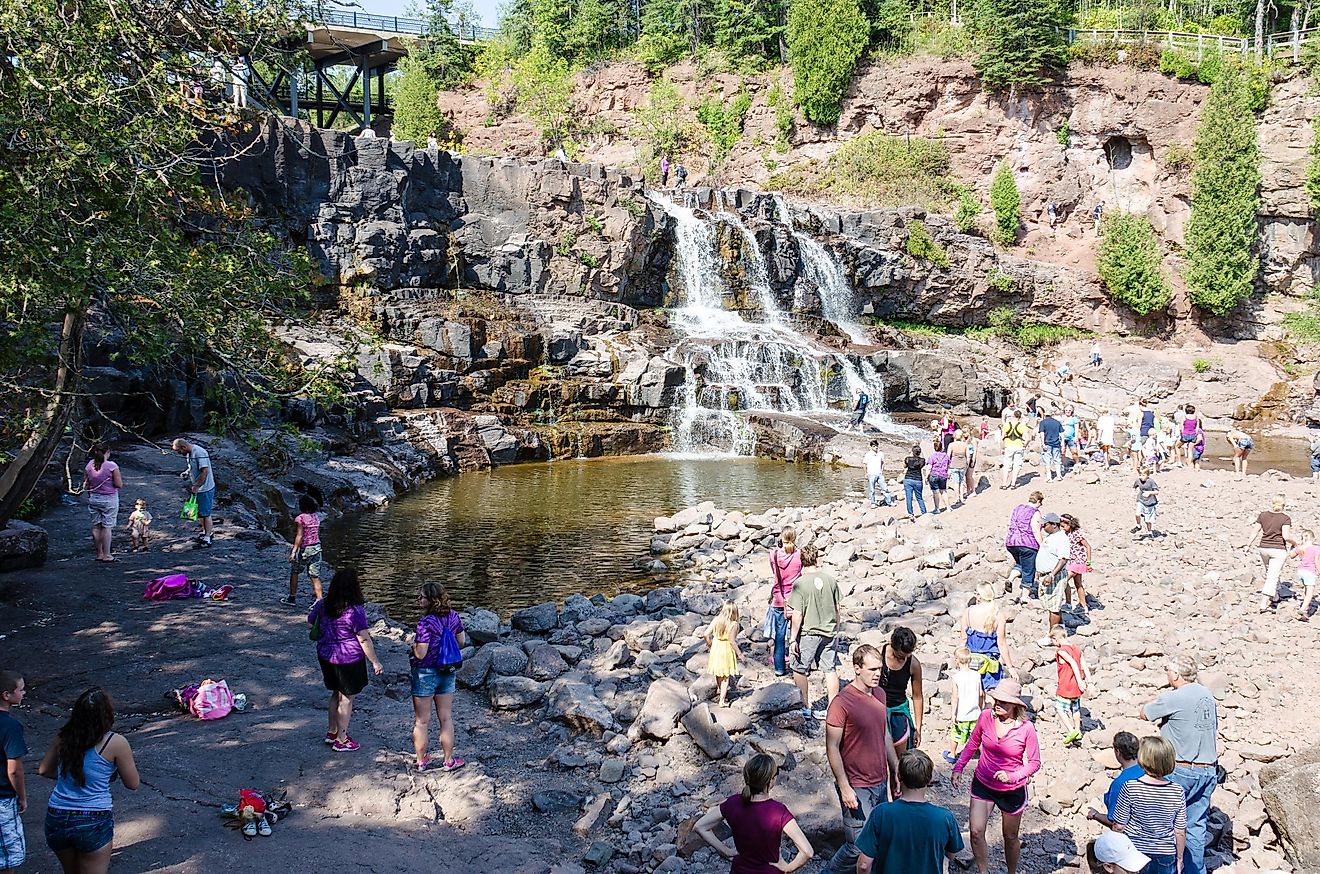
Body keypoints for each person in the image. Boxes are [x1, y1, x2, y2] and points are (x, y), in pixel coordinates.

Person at [38, 688, 140, 872]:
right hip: (93, 818)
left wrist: (70, 777)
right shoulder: (116, 742)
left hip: (57, 815)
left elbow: (44, 770)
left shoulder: (64, 736)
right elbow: (133, 784)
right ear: (107, 714)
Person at [1138, 654, 1219, 874]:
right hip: (1208, 769)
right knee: (1195, 826)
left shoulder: (1175, 696)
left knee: (1162, 824)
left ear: (1175, 674)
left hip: (1180, 769)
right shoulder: (1207, 695)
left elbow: (1145, 713)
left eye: (1167, 670)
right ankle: (1193, 870)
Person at [951, 679, 1041, 874]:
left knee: (1009, 837)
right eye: (996, 700)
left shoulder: (1026, 729)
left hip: (1012, 790)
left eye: (1004, 702)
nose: (997, 704)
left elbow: (1034, 763)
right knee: (975, 832)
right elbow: (972, 744)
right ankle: (984, 871)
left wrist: (1013, 776)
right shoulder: (985, 717)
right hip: (983, 782)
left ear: (1015, 706)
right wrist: (958, 768)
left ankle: (1011, 872)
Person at [824, 645, 899, 874]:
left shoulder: (880, 694)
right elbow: (832, 747)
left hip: (880, 780)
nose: (878, 674)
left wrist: (896, 769)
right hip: (856, 784)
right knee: (857, 846)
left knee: (880, 838)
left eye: (880, 669)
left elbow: (885, 733)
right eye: (872, 669)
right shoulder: (841, 702)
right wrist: (845, 787)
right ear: (857, 669)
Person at [694, 754, 814, 873]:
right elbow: (807, 852)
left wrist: (725, 851)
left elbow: (700, 826)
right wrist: (787, 869)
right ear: (771, 780)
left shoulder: (733, 803)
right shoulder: (778, 811)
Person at [308, 569, 383, 752]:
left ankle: (332, 731)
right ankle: (342, 739)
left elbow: (310, 623)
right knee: (347, 698)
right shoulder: (355, 611)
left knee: (336, 693)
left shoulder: (323, 604)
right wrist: (375, 661)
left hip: (326, 655)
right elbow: (363, 638)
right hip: (348, 658)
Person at [855, 750, 964, 874]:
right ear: (929, 780)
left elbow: (864, 865)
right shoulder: (945, 817)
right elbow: (951, 854)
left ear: (899, 776)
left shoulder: (880, 813)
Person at [409, 582, 466, 772]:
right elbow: (462, 641)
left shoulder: (425, 623)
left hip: (425, 673)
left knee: (422, 721)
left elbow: (421, 653)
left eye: (421, 597)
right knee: (446, 718)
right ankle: (448, 760)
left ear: (431, 600)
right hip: (447, 671)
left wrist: (413, 646)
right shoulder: (454, 616)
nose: (418, 600)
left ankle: (420, 762)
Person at [1113, 736, 1187, 874]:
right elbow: (1180, 831)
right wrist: (1180, 858)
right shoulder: (1177, 791)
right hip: (1165, 853)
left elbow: (1119, 826)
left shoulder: (1130, 787)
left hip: (1134, 852)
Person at [788, 546, 841, 720]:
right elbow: (837, 609)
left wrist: (792, 639)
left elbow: (797, 614)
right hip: (829, 630)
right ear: (816, 558)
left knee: (799, 668)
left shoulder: (800, 583)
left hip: (809, 632)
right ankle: (833, 709)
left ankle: (805, 706)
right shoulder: (830, 580)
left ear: (801, 560)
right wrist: (837, 630)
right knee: (830, 669)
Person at [962, 582, 1016, 693]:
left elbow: (963, 639)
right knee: (990, 693)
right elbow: (1001, 644)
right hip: (990, 663)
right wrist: (1010, 667)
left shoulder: (968, 612)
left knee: (972, 692)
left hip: (972, 660)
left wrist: (960, 660)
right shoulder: (998, 615)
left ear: (979, 596)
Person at [1086, 731, 1143, 829]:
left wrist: (1095, 815)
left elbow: (1115, 822)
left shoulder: (1120, 783)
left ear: (1118, 752)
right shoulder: (1150, 771)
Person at [1247, 494, 1294, 613]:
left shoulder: (1263, 515)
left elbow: (1255, 531)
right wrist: (1295, 543)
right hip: (1278, 549)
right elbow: (1286, 536)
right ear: (1283, 504)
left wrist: (1248, 544)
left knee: (1271, 571)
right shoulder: (1285, 518)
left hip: (1264, 548)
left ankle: (1275, 596)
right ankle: (1264, 602)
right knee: (1272, 575)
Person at [0, 672, 27, 871]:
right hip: (2, 798)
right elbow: (14, 770)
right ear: (6, 695)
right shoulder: (10, 726)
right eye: (21, 689)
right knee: (9, 857)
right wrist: (22, 796)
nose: (24, 692)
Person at [768, 528, 803, 677]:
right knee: (798, 634)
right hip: (796, 598)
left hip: (779, 599)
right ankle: (800, 666)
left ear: (782, 538)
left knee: (779, 637)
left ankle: (780, 668)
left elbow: (774, 573)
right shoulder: (799, 554)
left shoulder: (774, 554)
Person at [1034, 512, 1071, 645]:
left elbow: (1063, 559)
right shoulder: (1051, 537)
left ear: (1054, 525)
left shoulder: (1061, 538)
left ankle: (1052, 637)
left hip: (1053, 575)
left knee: (1053, 606)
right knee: (1051, 604)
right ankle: (1060, 629)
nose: (1043, 526)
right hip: (1045, 574)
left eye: (1046, 524)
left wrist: (1051, 574)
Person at [172, 437, 216, 546]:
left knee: (206, 513)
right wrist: (186, 473)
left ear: (184, 447)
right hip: (198, 488)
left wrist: (197, 485)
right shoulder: (189, 453)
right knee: (200, 513)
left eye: (179, 451)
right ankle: (205, 532)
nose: (179, 453)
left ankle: (208, 538)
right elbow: (192, 467)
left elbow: (204, 472)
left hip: (205, 488)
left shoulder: (199, 452)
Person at [82, 445, 122, 563]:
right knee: (107, 527)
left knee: (96, 526)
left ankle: (99, 554)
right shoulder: (112, 466)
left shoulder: (89, 465)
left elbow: (86, 483)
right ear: (107, 452)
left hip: (94, 498)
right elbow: (119, 484)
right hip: (109, 499)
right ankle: (107, 555)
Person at [1050, 624, 1089, 745]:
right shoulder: (1076, 649)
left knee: (1060, 708)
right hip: (1076, 688)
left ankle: (1071, 730)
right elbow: (1084, 665)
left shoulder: (1061, 651)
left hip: (1066, 685)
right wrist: (1088, 681)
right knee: (1075, 708)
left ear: (1056, 639)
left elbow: (1072, 663)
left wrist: (1079, 681)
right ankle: (1078, 730)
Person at [283, 494, 325, 605]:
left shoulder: (300, 519)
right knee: (314, 575)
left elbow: (299, 536)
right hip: (317, 547)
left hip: (305, 549)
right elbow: (317, 533)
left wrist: (294, 551)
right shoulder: (316, 517)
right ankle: (319, 599)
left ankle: (292, 598)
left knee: (295, 572)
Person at [945, 648, 983, 765]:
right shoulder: (977, 675)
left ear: (957, 661)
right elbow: (981, 694)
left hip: (962, 713)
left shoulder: (956, 677)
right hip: (975, 713)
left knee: (955, 734)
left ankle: (952, 754)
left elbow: (955, 697)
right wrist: (980, 707)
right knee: (977, 736)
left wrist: (953, 713)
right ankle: (983, 756)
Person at [1004, 491, 1044, 596]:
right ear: (1038, 501)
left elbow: (1009, 524)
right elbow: (1035, 530)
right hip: (1027, 544)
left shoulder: (1017, 508)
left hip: (1011, 542)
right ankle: (1025, 596)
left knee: (1021, 564)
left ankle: (1010, 579)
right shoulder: (1035, 512)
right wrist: (1042, 545)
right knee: (1029, 569)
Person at [704, 603, 742, 708]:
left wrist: (709, 643)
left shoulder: (716, 620)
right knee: (726, 676)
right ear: (734, 612)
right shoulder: (734, 624)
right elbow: (732, 641)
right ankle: (722, 700)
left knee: (718, 672)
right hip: (726, 649)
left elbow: (706, 634)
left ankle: (720, 690)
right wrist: (740, 654)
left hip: (716, 647)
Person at [1060, 513, 1092, 613]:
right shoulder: (1066, 534)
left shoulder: (1076, 533)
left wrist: (1089, 561)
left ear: (1069, 524)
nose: (1062, 528)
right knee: (1078, 584)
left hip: (1077, 562)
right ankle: (1083, 606)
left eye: (1063, 526)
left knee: (1063, 580)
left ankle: (1068, 603)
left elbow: (1088, 546)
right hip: (1072, 561)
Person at [1291, 528, 1319, 620]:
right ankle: (1303, 609)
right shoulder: (1316, 548)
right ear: (1313, 539)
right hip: (1310, 571)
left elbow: (1291, 555)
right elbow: (1316, 561)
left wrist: (1293, 548)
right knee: (1310, 592)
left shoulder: (1301, 548)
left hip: (1301, 571)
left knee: (1307, 589)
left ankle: (1305, 609)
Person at [1000, 409, 1029, 489]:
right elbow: (1028, 438)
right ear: (1020, 417)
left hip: (1008, 446)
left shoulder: (1007, 425)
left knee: (1007, 465)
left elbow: (1002, 438)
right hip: (1019, 446)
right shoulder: (1022, 426)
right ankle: (1013, 483)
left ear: (1013, 416)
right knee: (1017, 465)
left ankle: (1004, 484)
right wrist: (1024, 446)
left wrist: (1002, 448)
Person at [863, 441, 893, 508]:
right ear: (871, 447)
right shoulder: (868, 454)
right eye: (873, 446)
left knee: (885, 488)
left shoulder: (881, 454)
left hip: (879, 474)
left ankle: (889, 502)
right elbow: (864, 464)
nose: (875, 447)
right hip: (871, 474)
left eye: (876, 446)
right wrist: (865, 474)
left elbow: (882, 462)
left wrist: (881, 471)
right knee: (872, 490)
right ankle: (873, 503)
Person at [902, 445, 927, 520]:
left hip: (908, 479)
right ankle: (924, 512)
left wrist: (910, 455)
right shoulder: (922, 460)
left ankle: (911, 514)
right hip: (918, 479)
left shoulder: (908, 459)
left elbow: (904, 466)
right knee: (919, 497)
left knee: (909, 497)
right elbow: (922, 465)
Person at [1038, 407, 1064, 481]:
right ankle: (1059, 475)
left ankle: (1049, 477)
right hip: (1056, 443)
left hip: (1047, 443)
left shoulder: (1043, 423)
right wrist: (1062, 442)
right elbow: (1062, 433)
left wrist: (1043, 443)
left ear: (1046, 415)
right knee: (1057, 459)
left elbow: (1042, 433)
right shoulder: (1057, 422)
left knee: (1047, 460)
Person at [1132, 468, 1159, 539]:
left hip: (1150, 502)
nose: (1141, 477)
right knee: (1137, 514)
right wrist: (1133, 492)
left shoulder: (1151, 482)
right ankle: (1138, 525)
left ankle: (1150, 532)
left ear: (1148, 475)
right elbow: (1135, 486)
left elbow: (1157, 492)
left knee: (1147, 520)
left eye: (1143, 475)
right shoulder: (1138, 481)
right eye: (1140, 475)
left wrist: (1150, 493)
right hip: (1141, 500)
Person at [927, 439, 951, 514]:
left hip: (934, 475)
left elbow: (929, 467)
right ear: (942, 447)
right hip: (943, 475)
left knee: (935, 492)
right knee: (943, 491)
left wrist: (926, 477)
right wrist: (948, 473)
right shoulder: (946, 456)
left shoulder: (932, 456)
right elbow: (949, 466)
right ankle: (948, 507)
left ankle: (937, 508)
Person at [948, 429, 971, 505]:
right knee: (961, 482)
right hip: (962, 465)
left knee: (956, 482)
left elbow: (948, 456)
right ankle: (961, 497)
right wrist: (967, 464)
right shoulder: (965, 445)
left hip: (954, 465)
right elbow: (968, 456)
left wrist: (947, 466)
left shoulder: (951, 445)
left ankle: (957, 498)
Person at [1062, 405, 1082, 471]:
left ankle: (1077, 463)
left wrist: (1076, 437)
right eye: (1066, 410)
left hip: (1071, 438)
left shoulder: (1074, 419)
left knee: (1074, 451)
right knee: (1062, 451)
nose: (1068, 411)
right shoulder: (1061, 418)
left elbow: (1076, 428)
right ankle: (1063, 465)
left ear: (1072, 411)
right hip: (1062, 438)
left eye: (1069, 410)